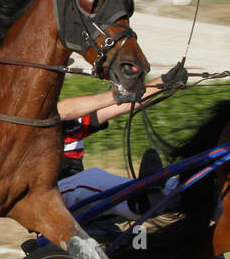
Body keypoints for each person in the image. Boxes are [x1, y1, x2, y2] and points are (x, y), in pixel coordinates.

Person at [57, 77, 177, 222]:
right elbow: (63, 110)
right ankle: (139, 203)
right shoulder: (31, 120)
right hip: (48, 197)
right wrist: (118, 94)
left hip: (79, 200)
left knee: (171, 183)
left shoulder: (70, 122)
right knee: (91, 179)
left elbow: (124, 105)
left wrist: (165, 82)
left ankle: (180, 193)